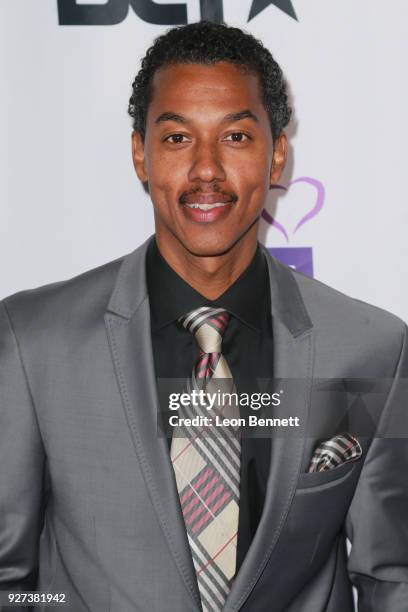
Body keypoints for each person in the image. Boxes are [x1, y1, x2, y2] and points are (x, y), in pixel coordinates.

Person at [0, 20, 407, 612]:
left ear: (278, 155)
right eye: (176, 139)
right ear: (140, 153)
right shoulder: (34, 344)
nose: (207, 170)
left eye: (237, 136)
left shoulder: (367, 350)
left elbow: (390, 577)